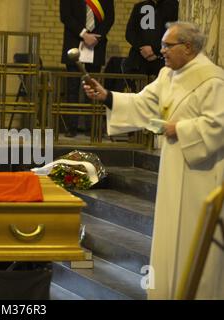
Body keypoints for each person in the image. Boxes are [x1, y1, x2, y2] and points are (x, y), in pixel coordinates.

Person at [83, 21, 224, 299]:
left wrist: (180, 129)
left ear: (188, 47)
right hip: (174, 169)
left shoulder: (213, 81)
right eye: (161, 45)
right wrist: (108, 96)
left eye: (167, 46)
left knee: (193, 237)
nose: (162, 51)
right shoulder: (167, 75)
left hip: (201, 175)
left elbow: (219, 125)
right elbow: (142, 104)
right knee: (170, 235)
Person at [60, 0, 114, 137]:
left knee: (93, 87)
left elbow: (109, 18)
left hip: (96, 44)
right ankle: (71, 127)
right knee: (72, 87)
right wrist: (84, 34)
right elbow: (65, 16)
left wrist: (95, 37)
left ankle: (92, 128)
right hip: (74, 41)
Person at [124, 0, 179, 78]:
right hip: (139, 60)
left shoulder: (173, 6)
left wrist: (154, 50)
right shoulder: (139, 7)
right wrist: (143, 48)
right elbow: (129, 33)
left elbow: (175, 32)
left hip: (163, 60)